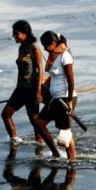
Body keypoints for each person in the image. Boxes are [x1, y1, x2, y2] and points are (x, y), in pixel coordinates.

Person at [1, 20, 60, 157]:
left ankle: (40, 147)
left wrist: (39, 91)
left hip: (32, 89)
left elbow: (40, 70)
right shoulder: (21, 48)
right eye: (13, 33)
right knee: (6, 114)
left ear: (25, 33)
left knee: (34, 119)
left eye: (16, 33)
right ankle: (14, 141)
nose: (14, 36)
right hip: (20, 89)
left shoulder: (35, 47)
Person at [38, 30, 77, 161]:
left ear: (54, 43)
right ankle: (55, 154)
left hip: (65, 98)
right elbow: (52, 74)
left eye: (46, 45)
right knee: (39, 123)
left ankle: (72, 161)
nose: (44, 48)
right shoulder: (54, 56)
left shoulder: (65, 56)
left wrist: (70, 101)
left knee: (65, 135)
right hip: (56, 99)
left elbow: (71, 79)